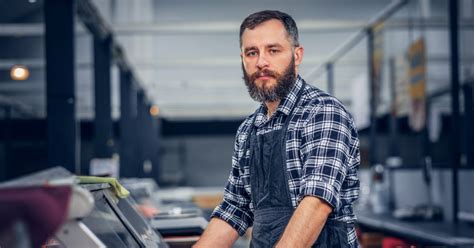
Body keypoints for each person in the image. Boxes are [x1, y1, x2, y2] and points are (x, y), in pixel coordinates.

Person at [194, 10, 360, 248]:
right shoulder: (248, 131)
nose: (261, 62)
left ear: (297, 55)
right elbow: (234, 209)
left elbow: (316, 203)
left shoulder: (322, 112)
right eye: (252, 52)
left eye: (273, 50)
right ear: (242, 58)